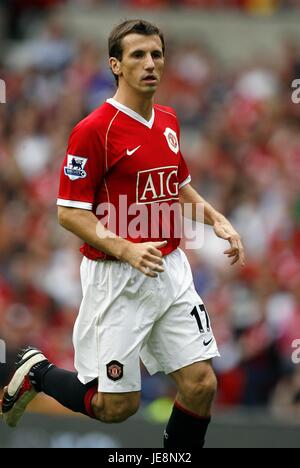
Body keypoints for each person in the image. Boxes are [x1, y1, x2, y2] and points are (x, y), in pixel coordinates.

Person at [1, 19, 245, 448]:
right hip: (118, 277)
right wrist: (126, 249)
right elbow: (69, 213)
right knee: (116, 407)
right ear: (116, 64)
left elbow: (178, 183)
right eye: (137, 55)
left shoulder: (168, 119)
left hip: (170, 270)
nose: (150, 63)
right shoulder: (94, 129)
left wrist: (216, 219)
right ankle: (35, 370)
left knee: (202, 383)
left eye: (156, 54)